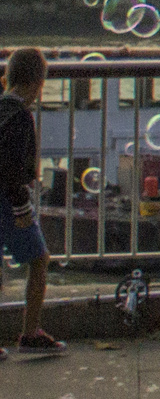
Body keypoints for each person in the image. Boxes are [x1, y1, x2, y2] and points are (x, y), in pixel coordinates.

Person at [0, 48, 65, 360]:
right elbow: (11, 169)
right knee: (39, 260)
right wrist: (22, 208)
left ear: (6, 80)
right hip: (9, 202)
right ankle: (30, 333)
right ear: (39, 84)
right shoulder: (21, 117)